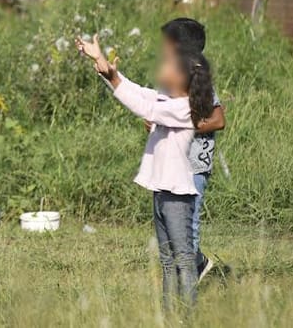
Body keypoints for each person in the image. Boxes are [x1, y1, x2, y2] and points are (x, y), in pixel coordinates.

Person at [76, 32, 214, 312]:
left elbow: (143, 105)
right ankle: (168, 314)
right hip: (162, 191)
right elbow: (138, 91)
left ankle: (185, 316)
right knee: (167, 260)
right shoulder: (168, 100)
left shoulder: (184, 108)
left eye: (168, 66)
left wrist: (113, 78)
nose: (161, 68)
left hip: (177, 196)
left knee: (184, 260)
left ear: (182, 78)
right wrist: (104, 66)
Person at [160, 18, 226, 280]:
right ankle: (196, 265)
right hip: (170, 165)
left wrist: (185, 127)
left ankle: (185, 295)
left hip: (194, 167)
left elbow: (218, 120)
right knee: (170, 226)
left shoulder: (200, 80)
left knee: (189, 228)